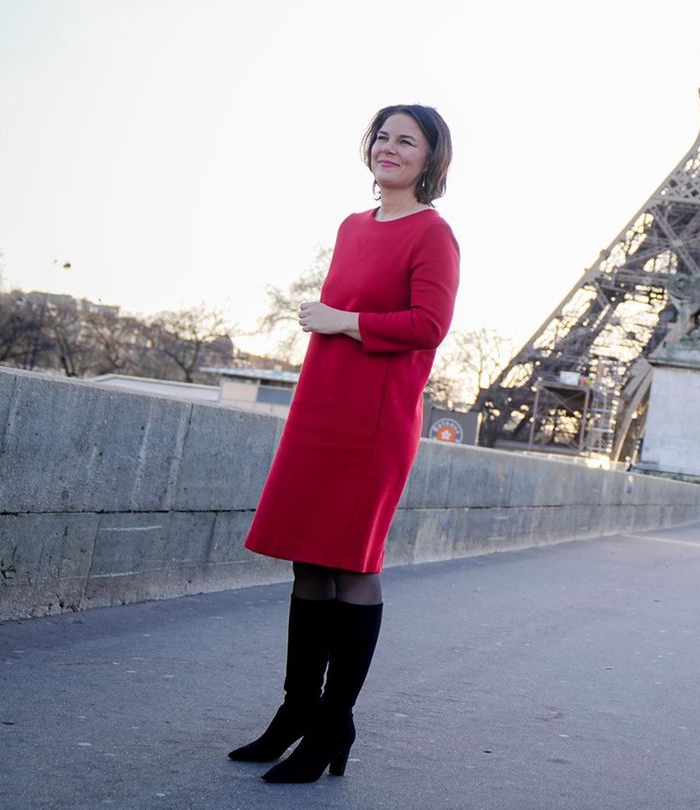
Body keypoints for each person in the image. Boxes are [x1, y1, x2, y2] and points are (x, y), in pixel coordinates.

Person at [229, 104, 458, 783]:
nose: (390, 148)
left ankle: (333, 723)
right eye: (382, 136)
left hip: (374, 419)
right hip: (321, 406)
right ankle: (297, 711)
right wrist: (336, 323)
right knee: (308, 561)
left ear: (430, 158)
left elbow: (429, 325)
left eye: (406, 141)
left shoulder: (434, 234)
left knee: (353, 566)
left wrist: (342, 319)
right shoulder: (353, 227)